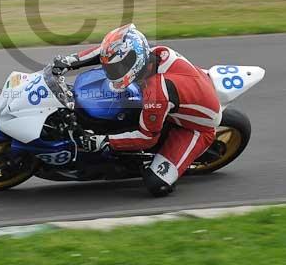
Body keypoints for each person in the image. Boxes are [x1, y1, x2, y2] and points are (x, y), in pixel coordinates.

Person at [52, 24, 221, 197]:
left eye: (116, 68)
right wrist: (69, 61)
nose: (111, 71)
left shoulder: (156, 94)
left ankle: (154, 166)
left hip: (195, 128)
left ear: (133, 64)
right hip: (190, 89)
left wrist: (104, 141)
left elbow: (147, 138)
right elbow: (106, 52)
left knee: (156, 184)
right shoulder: (153, 54)